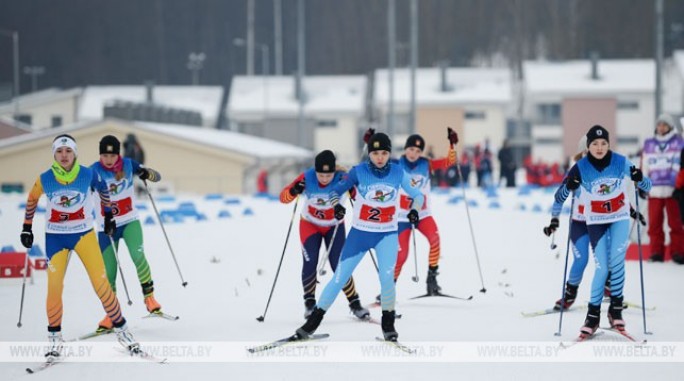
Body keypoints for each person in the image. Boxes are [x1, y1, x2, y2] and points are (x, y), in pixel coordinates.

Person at [293, 132, 424, 342]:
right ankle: (312, 322)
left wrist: (415, 209)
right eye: (375, 153)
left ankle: (388, 325)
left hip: (387, 235)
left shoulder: (398, 173)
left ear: (389, 153)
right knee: (339, 277)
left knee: (386, 279)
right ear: (369, 154)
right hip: (360, 234)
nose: (379, 157)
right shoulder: (358, 172)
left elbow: (418, 195)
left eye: (383, 153)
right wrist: (336, 207)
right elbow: (336, 191)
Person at [19, 134, 139, 359]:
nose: (64, 156)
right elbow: (32, 198)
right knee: (54, 288)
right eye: (59, 152)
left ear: (75, 153)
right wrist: (27, 227)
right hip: (56, 238)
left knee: (100, 284)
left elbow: (104, 190)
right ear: (54, 154)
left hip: (84, 235)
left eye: (68, 151)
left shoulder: (88, 174)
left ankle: (123, 330)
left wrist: (108, 216)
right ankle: (55, 339)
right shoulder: (45, 178)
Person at [558, 125, 651, 338]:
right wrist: (569, 186)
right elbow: (559, 197)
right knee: (602, 266)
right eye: (594, 144)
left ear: (608, 144)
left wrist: (640, 178)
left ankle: (615, 311)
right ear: (588, 147)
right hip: (596, 221)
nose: (599, 147)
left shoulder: (620, 161)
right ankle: (592, 316)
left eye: (603, 143)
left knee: (617, 262)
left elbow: (648, 185)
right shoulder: (580, 167)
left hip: (618, 218)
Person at [543, 136, 645, 309]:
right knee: (581, 259)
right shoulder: (575, 170)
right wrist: (554, 220)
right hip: (580, 224)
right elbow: (559, 198)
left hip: (601, 221)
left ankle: (610, 289)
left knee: (609, 257)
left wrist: (633, 212)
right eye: (585, 151)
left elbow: (614, 195)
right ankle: (569, 295)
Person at [279, 150, 370, 320]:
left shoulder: (343, 178)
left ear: (334, 172)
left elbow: (360, 199)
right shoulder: (306, 177)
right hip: (310, 225)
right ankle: (310, 304)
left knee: (339, 266)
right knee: (310, 261)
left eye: (328, 176)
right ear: (315, 171)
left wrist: (355, 195)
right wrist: (293, 191)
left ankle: (355, 303)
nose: (324, 179)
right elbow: (283, 198)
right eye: (321, 175)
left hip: (333, 227)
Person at [90, 135, 164, 332]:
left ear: (118, 154)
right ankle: (111, 313)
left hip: (130, 222)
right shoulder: (93, 171)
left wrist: (147, 173)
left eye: (112, 155)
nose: (108, 159)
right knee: (109, 271)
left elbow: (157, 177)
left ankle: (149, 298)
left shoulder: (129, 165)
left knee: (138, 255)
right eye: (104, 155)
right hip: (106, 228)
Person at [392, 128, 458, 295]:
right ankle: (388, 288)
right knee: (401, 256)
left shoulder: (426, 164)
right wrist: (371, 144)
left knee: (435, 239)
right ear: (405, 149)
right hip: (402, 216)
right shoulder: (395, 165)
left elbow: (449, 162)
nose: (414, 153)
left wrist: (452, 144)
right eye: (411, 149)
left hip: (423, 214)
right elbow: (374, 163)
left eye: (418, 151)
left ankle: (432, 280)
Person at [641, 114, 684, 262]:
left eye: (665, 125)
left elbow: (681, 164)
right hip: (654, 190)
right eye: (659, 124)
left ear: (671, 126)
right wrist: (642, 184)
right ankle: (656, 252)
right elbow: (645, 166)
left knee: (676, 223)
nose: (662, 127)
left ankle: (678, 252)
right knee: (654, 224)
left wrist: (680, 185)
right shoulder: (649, 143)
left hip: (674, 190)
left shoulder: (679, 142)